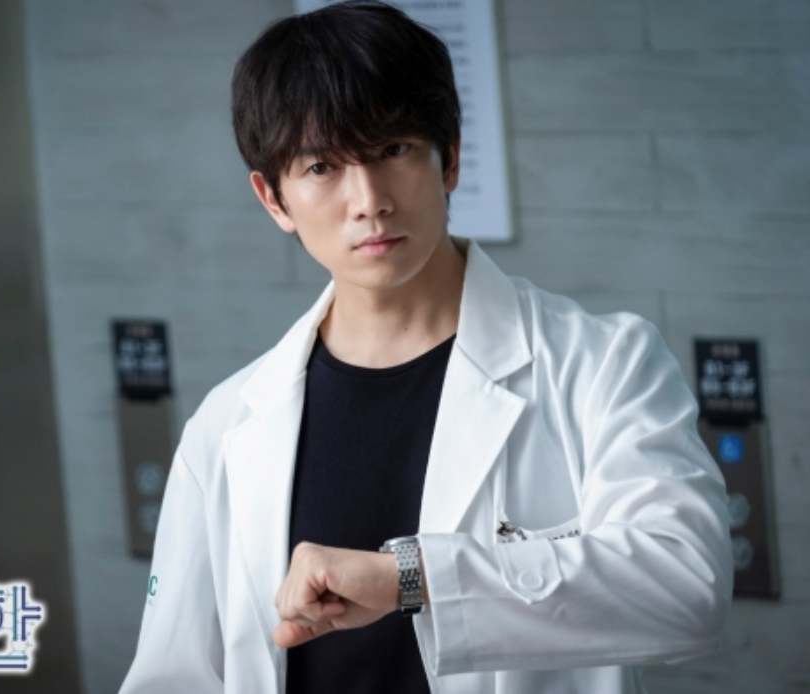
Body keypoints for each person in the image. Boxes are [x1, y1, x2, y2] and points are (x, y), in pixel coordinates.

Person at [119, 2, 732, 692]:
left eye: (393, 150)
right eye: (322, 167)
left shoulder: (601, 364)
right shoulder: (227, 426)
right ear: (273, 200)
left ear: (450, 157)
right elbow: (173, 678)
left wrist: (410, 579)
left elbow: (689, 586)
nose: (369, 200)